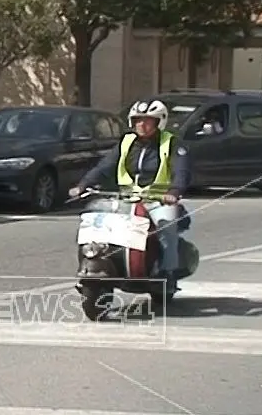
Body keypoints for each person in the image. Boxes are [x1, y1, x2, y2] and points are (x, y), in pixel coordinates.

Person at [69, 99, 190, 295]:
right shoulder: (126, 142)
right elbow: (104, 166)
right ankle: (107, 263)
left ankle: (168, 274)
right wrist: (83, 185)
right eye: (137, 120)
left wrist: (174, 192)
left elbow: (181, 171)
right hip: (125, 199)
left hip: (157, 200)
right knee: (99, 226)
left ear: (159, 122)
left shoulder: (171, 143)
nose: (141, 125)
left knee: (166, 227)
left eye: (148, 121)